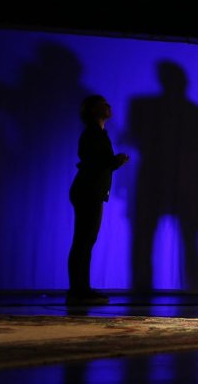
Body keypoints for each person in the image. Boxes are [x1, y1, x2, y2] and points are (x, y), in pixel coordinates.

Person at [67, 95, 130, 306]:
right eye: (103, 103)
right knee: (83, 242)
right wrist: (114, 161)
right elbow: (93, 161)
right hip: (88, 191)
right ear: (93, 109)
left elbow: (97, 162)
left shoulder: (98, 132)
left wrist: (113, 162)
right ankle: (79, 290)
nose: (108, 106)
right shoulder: (92, 133)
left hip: (90, 191)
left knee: (85, 242)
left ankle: (81, 289)